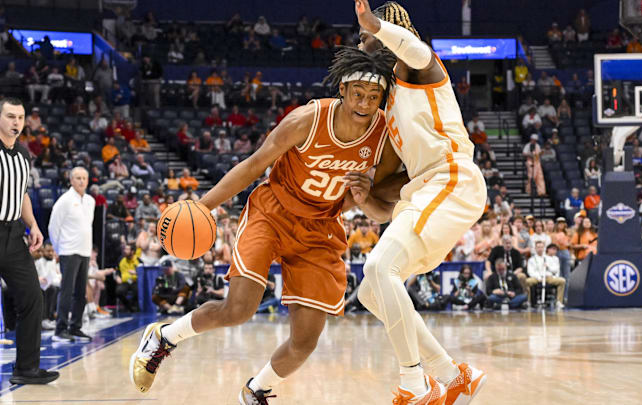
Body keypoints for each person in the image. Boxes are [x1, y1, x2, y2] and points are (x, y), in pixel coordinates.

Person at [129, 45, 397, 404]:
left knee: (305, 341)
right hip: (273, 212)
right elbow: (255, 165)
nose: (364, 103)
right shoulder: (307, 120)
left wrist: (364, 200)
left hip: (320, 228)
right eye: (358, 94)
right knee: (238, 309)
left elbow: (383, 212)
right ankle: (163, 338)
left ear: (382, 98)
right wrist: (204, 206)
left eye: (373, 96)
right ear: (343, 90)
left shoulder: (383, 134)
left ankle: (256, 389)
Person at [354, 2, 487, 403]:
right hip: (429, 189)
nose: (361, 44)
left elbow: (414, 49)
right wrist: (364, 198)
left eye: (367, 38)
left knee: (380, 265)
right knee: (370, 290)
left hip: (452, 177)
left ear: (390, 32)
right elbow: (390, 200)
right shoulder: (390, 104)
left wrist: (375, 25)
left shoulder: (422, 69)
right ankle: (451, 374)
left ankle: (413, 382)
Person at [0, 98, 59, 384]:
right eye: (10, 116)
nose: (16, 123)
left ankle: (26, 369)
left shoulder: (23, 155)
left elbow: (22, 194)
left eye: (20, 118)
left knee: (32, 297)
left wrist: (33, 225)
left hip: (13, 236)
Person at [48, 167, 95, 343]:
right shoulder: (64, 201)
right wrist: (58, 250)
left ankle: (75, 328)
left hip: (84, 252)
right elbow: (53, 227)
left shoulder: (90, 201)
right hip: (68, 252)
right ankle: (60, 330)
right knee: (66, 291)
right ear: (71, 180)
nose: (81, 181)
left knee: (80, 293)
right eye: (78, 178)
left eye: (84, 178)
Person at [526, 242, 565, 308]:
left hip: (548, 277)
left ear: (544, 248)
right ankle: (528, 301)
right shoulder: (531, 260)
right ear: (535, 248)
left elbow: (555, 269)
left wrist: (548, 267)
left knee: (562, 281)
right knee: (527, 282)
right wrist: (538, 277)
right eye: (538, 247)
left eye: (541, 247)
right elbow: (530, 271)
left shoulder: (549, 258)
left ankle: (559, 302)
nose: (540, 249)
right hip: (537, 278)